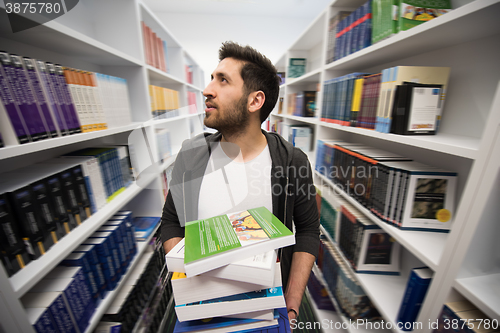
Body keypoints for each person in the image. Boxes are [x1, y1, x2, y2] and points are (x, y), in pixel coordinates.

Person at [160, 41, 320, 323]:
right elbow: (172, 221)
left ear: (255, 101)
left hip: (265, 313)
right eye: (212, 78)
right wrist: (188, 283)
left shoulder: (292, 161)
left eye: (223, 80)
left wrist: (292, 307)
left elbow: (307, 231)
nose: (207, 90)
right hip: (201, 313)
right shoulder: (190, 156)